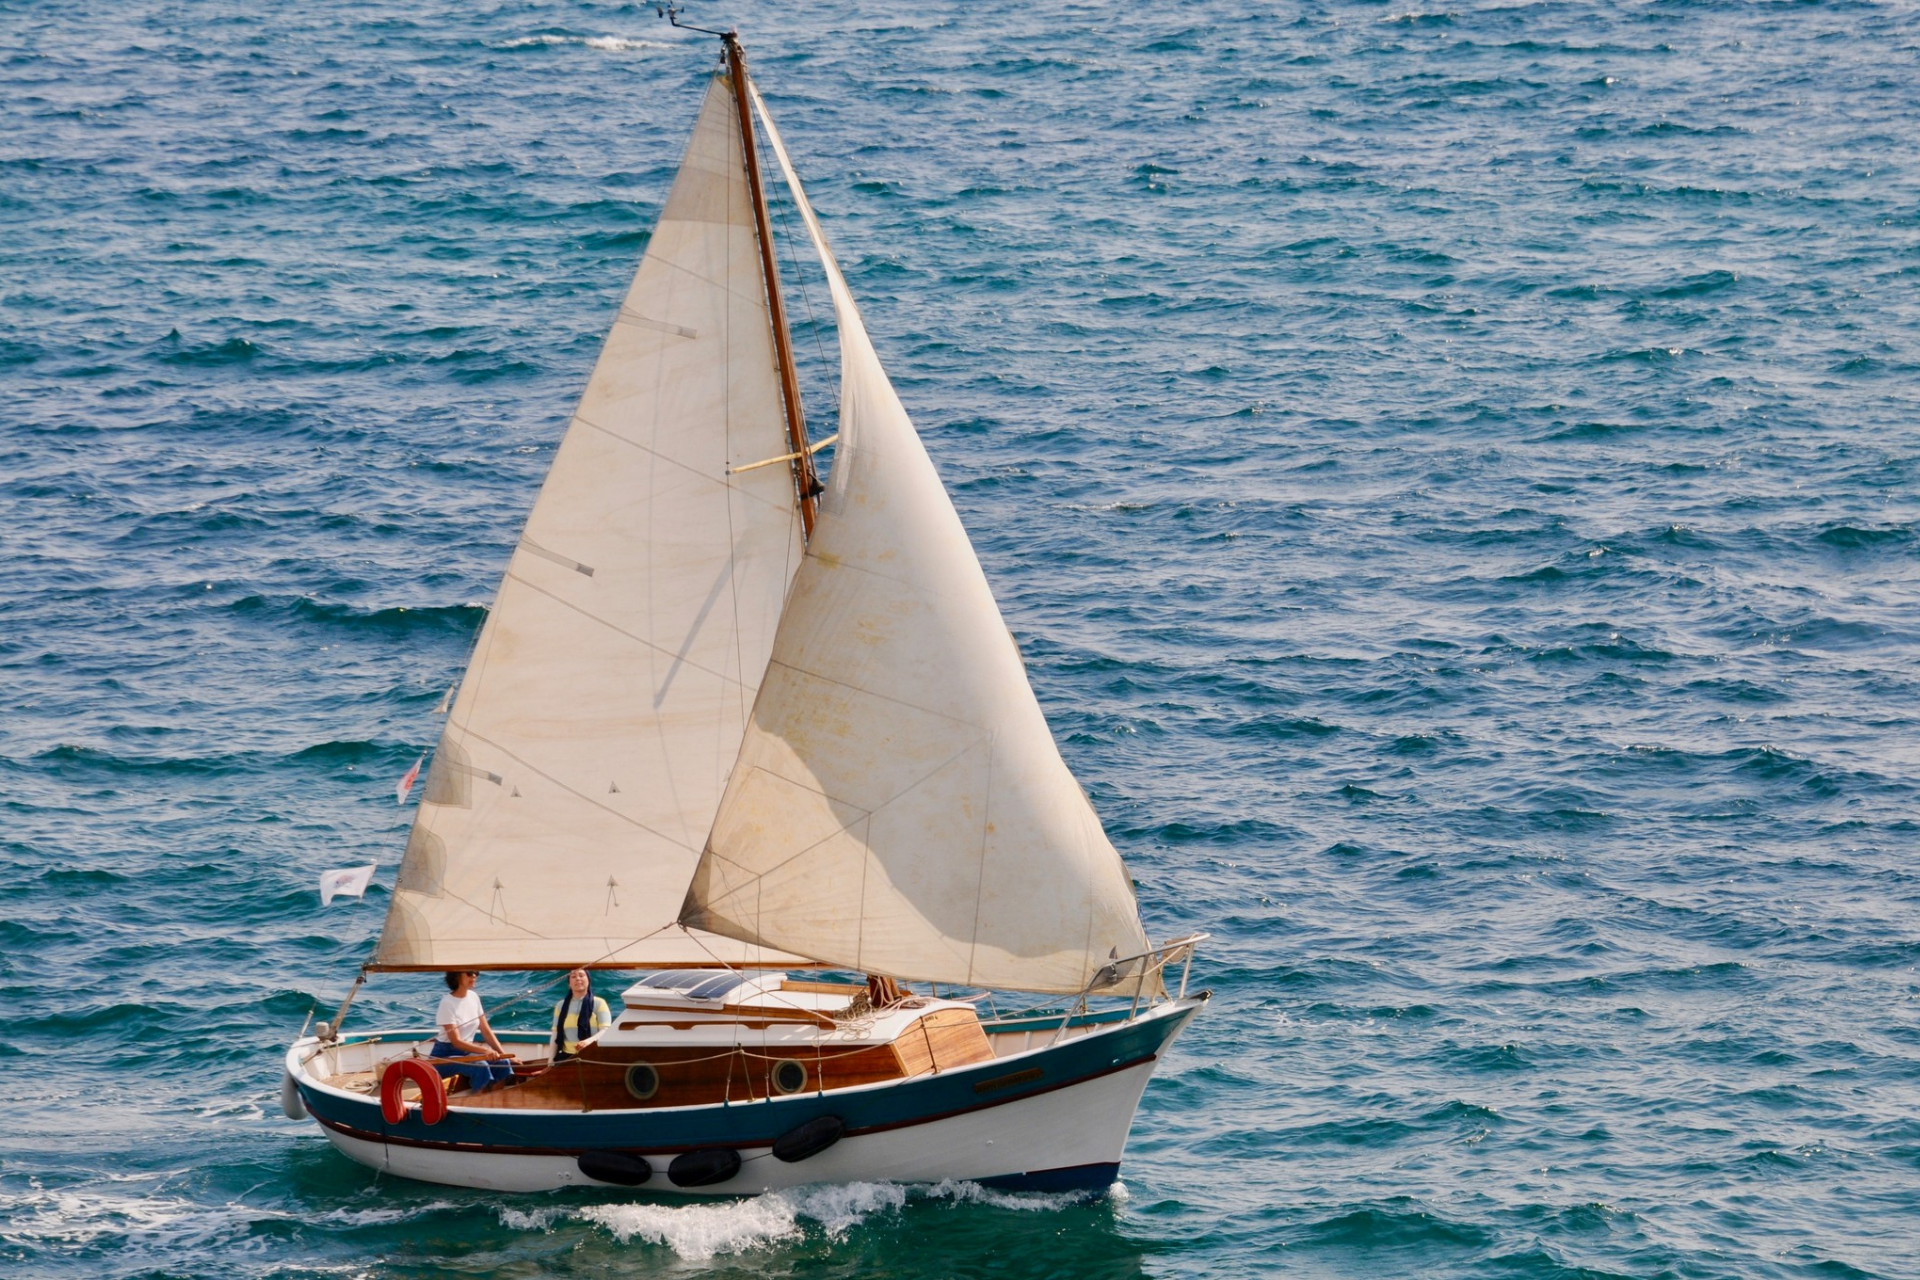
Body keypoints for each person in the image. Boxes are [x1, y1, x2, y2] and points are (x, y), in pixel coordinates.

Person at [430, 971, 516, 1094]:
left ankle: (491, 1102)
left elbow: (485, 1030)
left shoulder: (473, 997)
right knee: (480, 1065)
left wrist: (503, 1054)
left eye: (476, 973)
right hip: (444, 1056)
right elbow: (456, 1042)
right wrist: (486, 1051)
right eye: (469, 973)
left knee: (503, 1063)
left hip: (467, 1053)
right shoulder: (447, 1003)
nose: (474, 976)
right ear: (457, 976)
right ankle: (477, 1103)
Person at [548, 968, 611, 1063]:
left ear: (588, 980)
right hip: (565, 1057)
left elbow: (605, 1030)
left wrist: (588, 1041)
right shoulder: (561, 1006)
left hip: (592, 1055)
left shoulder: (599, 1003)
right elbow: (555, 1034)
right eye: (573, 976)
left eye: (581, 975)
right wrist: (550, 1061)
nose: (578, 979)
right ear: (569, 983)